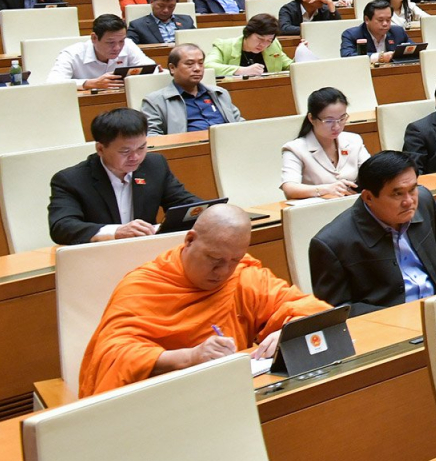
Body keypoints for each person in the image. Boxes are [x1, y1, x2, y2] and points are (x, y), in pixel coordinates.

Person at [76, 205, 327, 397]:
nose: (223, 271)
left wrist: (288, 332)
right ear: (189, 240)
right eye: (214, 259)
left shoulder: (242, 277)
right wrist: (190, 356)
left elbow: (312, 309)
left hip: (225, 394)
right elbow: (113, 355)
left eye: (234, 260)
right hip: (161, 400)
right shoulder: (143, 285)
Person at [308, 151, 436, 314]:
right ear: (368, 198)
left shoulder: (423, 200)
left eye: (413, 189)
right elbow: (337, 309)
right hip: (386, 326)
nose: (409, 201)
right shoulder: (331, 244)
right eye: (397, 194)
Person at [48, 108, 201, 244]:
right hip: (99, 257)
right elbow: (62, 227)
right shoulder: (71, 180)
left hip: (147, 251)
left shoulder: (154, 165)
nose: (136, 157)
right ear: (100, 149)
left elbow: (184, 203)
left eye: (142, 147)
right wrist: (116, 232)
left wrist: (211, 212)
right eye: (125, 151)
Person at [280, 88, 370, 200]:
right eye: (329, 121)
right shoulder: (295, 148)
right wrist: (326, 189)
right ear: (311, 118)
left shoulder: (354, 140)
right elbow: (290, 189)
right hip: (317, 210)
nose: (336, 126)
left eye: (342, 119)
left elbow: (372, 173)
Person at [140, 44, 244, 135]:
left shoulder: (220, 93)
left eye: (201, 63)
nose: (197, 68)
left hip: (229, 145)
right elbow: (151, 136)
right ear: (172, 68)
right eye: (189, 64)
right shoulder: (154, 101)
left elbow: (240, 123)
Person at [47, 14, 142, 88]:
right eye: (110, 42)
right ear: (94, 38)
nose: (117, 47)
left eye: (121, 41)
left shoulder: (128, 44)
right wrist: (89, 83)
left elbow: (151, 69)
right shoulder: (72, 54)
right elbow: (53, 82)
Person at [207, 13, 291, 78]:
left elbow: (289, 66)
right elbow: (208, 67)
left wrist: (301, 54)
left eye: (269, 40)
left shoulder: (273, 45)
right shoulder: (223, 46)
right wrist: (241, 70)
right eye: (260, 39)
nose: (263, 45)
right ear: (247, 33)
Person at [124, 0, 194, 46]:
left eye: (171, 6)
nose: (166, 10)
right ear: (151, 2)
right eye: (161, 6)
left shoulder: (187, 21)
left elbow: (197, 42)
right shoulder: (137, 26)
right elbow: (130, 48)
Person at [341, 0, 411, 62]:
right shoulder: (351, 34)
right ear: (367, 20)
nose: (385, 24)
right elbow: (347, 56)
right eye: (380, 20)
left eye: (388, 20)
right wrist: (380, 57)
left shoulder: (398, 32)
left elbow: (414, 49)